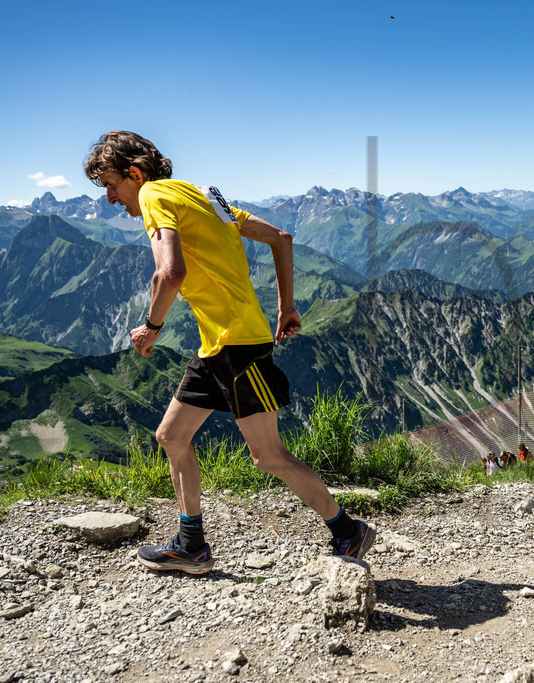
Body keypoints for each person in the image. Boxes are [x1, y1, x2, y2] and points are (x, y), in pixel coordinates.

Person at [84, 131, 375, 574]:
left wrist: (151, 328)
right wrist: (287, 307)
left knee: (268, 456)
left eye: (110, 184)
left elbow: (170, 272)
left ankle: (347, 531)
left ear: (136, 173)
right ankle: (191, 544)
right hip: (218, 345)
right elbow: (281, 237)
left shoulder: (154, 197)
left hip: (238, 347)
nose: (109, 198)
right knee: (171, 436)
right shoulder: (202, 195)